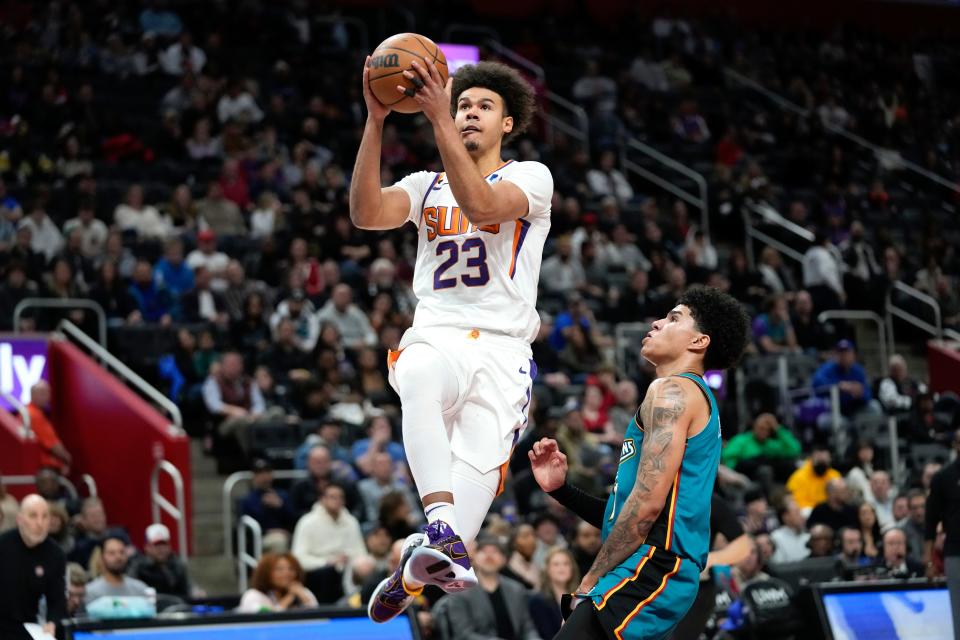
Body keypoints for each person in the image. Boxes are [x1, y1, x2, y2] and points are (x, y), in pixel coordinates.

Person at [352, 59, 551, 623]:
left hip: (503, 352)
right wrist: (374, 120)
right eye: (462, 105)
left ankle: (414, 565)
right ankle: (435, 522)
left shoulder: (532, 177)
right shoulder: (425, 185)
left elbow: (483, 207)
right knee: (415, 373)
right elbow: (366, 214)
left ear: (507, 124)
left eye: (482, 107)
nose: (468, 113)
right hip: (438, 333)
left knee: (456, 541)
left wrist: (437, 119)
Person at [530, 286, 750, 639]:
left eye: (674, 318)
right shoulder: (685, 395)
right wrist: (561, 491)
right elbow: (629, 515)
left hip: (654, 565)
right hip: (659, 565)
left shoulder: (672, 392)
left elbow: (646, 508)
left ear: (699, 342)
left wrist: (591, 579)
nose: (657, 322)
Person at [437, 535, 541, 639]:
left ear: (504, 559)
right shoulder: (460, 590)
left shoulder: (516, 589)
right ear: (474, 557)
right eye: (483, 551)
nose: (489, 556)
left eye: (495, 551)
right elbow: (463, 634)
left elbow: (527, 628)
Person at [0, 495, 66, 640]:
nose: (39, 523)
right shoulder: (3, 546)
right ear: (19, 520)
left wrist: (52, 622)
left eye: (45, 517)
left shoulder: (55, 554)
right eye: (33, 516)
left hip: (29, 626)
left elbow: (57, 599)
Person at [291, 483, 365, 603]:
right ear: (322, 499)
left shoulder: (351, 522)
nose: (337, 500)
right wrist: (327, 562)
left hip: (348, 568)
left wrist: (353, 561)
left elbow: (360, 553)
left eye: (340, 497)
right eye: (332, 497)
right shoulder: (307, 522)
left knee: (367, 566)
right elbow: (298, 559)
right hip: (318, 571)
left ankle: (363, 606)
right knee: (330, 572)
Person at [925, 429, 960, 639]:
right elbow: (930, 522)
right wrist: (929, 561)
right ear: (956, 445)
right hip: (956, 552)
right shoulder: (943, 478)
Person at [721, 412, 801, 482]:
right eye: (761, 428)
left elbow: (794, 449)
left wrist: (777, 428)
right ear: (754, 427)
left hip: (767, 474)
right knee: (764, 470)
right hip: (745, 474)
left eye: (767, 429)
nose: (763, 432)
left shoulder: (769, 445)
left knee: (792, 465)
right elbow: (727, 457)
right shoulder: (741, 440)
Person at [239, 459, 297, 550]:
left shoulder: (283, 495)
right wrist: (270, 531)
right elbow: (246, 529)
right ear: (254, 476)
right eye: (260, 473)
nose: (264, 477)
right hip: (260, 538)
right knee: (279, 540)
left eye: (267, 472)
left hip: (286, 534)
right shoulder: (247, 500)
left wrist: (280, 506)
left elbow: (294, 520)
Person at [237, 552, 318, 613]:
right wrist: (290, 596)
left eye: (291, 569)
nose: (287, 573)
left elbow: (318, 617)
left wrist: (304, 597)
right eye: (279, 569)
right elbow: (269, 617)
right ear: (265, 573)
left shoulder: (303, 592)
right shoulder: (253, 596)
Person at [127, 524, 192, 598]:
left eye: (164, 544)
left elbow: (187, 592)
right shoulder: (138, 567)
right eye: (156, 545)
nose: (161, 549)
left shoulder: (177, 566)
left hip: (176, 607)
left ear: (169, 546)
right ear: (147, 547)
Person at [530, 547, 581, 640]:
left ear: (572, 568)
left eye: (566, 564)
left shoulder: (580, 597)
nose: (561, 568)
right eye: (556, 564)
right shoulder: (538, 601)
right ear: (547, 569)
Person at [84, 535, 149, 604]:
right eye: (112, 553)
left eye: (122, 552)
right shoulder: (91, 592)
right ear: (101, 558)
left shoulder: (140, 589)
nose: (118, 557)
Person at [26, 381, 72, 474]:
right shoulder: (33, 415)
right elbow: (53, 445)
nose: (47, 397)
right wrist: (67, 459)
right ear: (33, 395)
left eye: (48, 393)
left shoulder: (29, 413)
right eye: (43, 393)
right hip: (44, 470)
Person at [786, 444, 841, 511]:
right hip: (808, 510)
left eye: (824, 461)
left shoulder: (834, 476)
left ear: (829, 460)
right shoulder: (799, 476)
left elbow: (840, 499)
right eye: (818, 460)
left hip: (829, 510)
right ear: (811, 459)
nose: (821, 463)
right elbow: (797, 502)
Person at [770, 497, 810, 564]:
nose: (802, 516)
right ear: (786, 517)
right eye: (797, 513)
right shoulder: (776, 538)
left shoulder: (808, 536)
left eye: (800, 512)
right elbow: (779, 567)